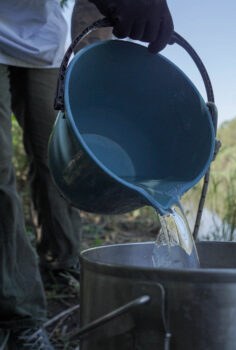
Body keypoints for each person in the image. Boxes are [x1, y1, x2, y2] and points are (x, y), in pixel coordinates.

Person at [0, 0, 174, 349]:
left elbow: (87, 11)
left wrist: (99, 57)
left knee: (58, 157)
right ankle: (18, 316)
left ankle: (61, 261)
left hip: (44, 46)